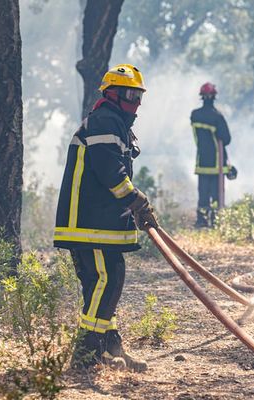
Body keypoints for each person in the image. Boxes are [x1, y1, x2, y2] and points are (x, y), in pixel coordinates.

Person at [54, 64, 158, 371]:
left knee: (101, 284)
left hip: (98, 221)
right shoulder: (103, 121)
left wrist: (134, 207)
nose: (136, 102)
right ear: (112, 93)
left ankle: (111, 346)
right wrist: (137, 200)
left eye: (139, 95)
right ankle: (87, 352)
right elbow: (110, 172)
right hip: (89, 223)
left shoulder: (114, 123)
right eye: (131, 94)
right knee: (106, 279)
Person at [190, 82, 234, 227]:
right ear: (214, 97)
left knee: (203, 194)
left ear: (202, 97)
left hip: (201, 162)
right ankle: (216, 222)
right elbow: (226, 139)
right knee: (216, 195)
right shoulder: (217, 117)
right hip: (217, 164)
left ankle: (201, 221)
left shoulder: (194, 115)